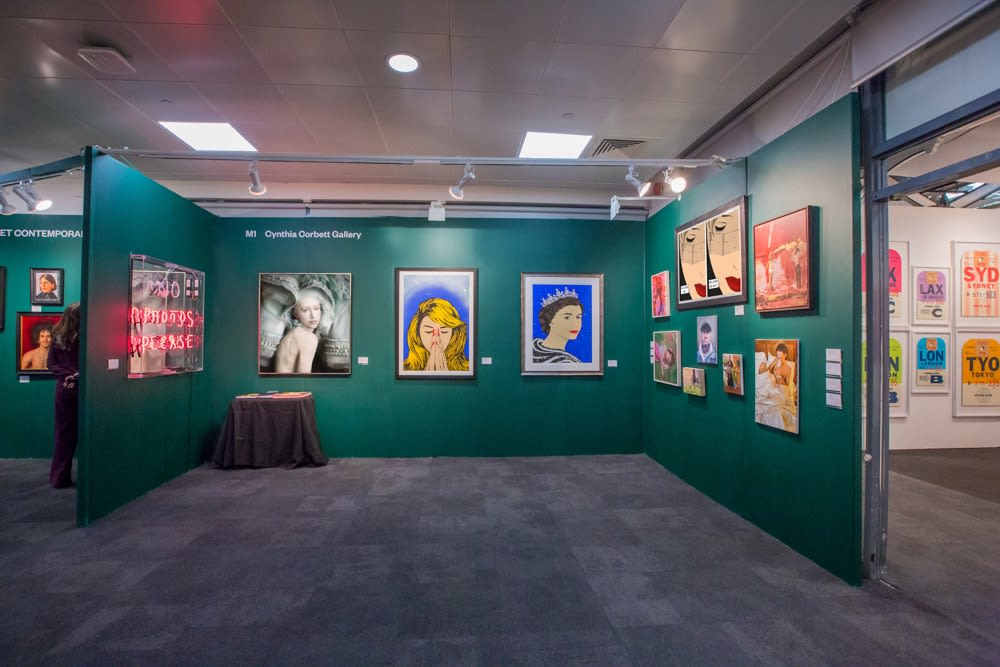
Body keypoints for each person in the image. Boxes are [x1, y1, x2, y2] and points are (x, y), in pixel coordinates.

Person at [48, 303, 80, 489]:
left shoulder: (58, 336)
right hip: (81, 388)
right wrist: (75, 375)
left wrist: (66, 375)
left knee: (63, 435)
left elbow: (51, 363)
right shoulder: (85, 336)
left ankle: (59, 477)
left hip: (64, 388)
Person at [403, 297, 469, 371]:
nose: (436, 340)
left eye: (444, 331)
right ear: (417, 334)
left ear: (454, 334)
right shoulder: (405, 368)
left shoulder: (467, 368)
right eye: (428, 331)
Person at [274, 287, 327, 373]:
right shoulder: (308, 338)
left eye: (316, 308)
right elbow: (303, 376)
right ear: (295, 313)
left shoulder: (291, 334)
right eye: (305, 310)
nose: (313, 316)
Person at [533, 289, 583, 363]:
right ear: (550, 320)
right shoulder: (566, 362)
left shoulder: (534, 346)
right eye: (567, 317)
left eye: (578, 317)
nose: (575, 324)